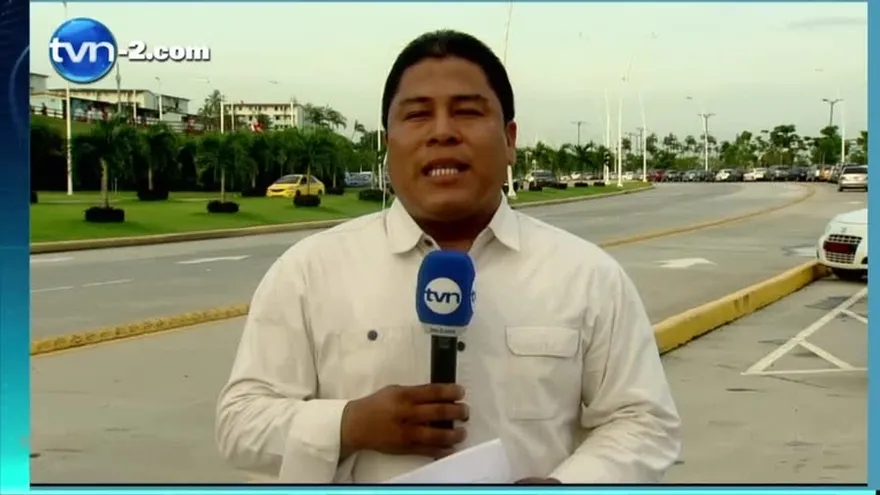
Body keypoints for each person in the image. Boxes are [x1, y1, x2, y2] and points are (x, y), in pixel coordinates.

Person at [215, 29, 681, 484]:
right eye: (418, 115)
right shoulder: (308, 271)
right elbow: (241, 423)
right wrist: (348, 424)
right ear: (388, 144)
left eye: (467, 112)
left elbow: (643, 421)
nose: (442, 132)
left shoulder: (587, 276)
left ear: (510, 139)